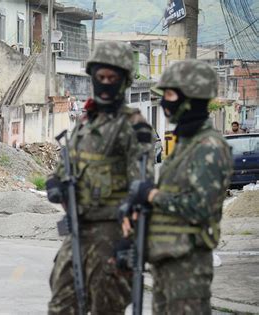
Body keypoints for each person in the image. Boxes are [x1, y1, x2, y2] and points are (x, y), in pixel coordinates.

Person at [47, 41, 154, 314]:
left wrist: (128, 240)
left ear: (124, 81)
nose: (105, 84)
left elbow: (140, 185)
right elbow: (68, 166)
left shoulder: (133, 125)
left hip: (112, 231)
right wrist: (55, 183)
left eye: (112, 78)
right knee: (61, 303)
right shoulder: (86, 121)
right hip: (78, 229)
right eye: (101, 77)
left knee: (106, 306)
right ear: (93, 77)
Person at [122, 60, 233, 314]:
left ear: (191, 97)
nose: (164, 102)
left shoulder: (209, 147)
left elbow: (199, 208)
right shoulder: (186, 144)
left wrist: (151, 194)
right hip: (167, 264)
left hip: (187, 270)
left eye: (170, 95)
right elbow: (171, 204)